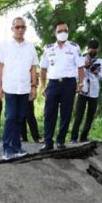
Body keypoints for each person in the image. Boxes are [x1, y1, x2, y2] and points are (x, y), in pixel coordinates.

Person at [0, 18, 39, 160]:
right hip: (10, 87)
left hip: (25, 88)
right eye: (17, 27)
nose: (20, 29)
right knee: (11, 117)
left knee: (20, 118)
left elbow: (33, 68)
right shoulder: (4, 45)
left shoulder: (30, 46)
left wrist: (34, 86)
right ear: (12, 28)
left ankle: (16, 147)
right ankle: (7, 149)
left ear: (25, 29)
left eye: (23, 27)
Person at [39, 22, 85, 151]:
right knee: (49, 113)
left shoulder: (74, 47)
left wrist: (80, 83)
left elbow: (81, 67)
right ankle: (48, 142)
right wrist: (42, 86)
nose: (63, 33)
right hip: (53, 84)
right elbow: (43, 69)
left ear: (68, 32)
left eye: (65, 30)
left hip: (68, 84)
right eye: (60, 31)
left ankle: (60, 141)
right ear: (55, 33)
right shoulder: (48, 48)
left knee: (66, 113)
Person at [70, 39, 102, 143]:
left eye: (94, 50)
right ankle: (73, 138)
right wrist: (84, 67)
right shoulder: (81, 59)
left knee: (90, 116)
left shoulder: (101, 61)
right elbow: (76, 75)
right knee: (79, 115)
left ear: (97, 50)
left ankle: (83, 137)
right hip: (83, 90)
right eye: (90, 51)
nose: (92, 53)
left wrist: (96, 72)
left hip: (94, 92)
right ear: (88, 49)